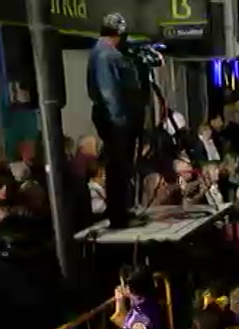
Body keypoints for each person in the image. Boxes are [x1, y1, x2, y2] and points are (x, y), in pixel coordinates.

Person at [87, 13, 141, 229]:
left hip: (114, 117)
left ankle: (121, 213)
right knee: (118, 166)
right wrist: (121, 121)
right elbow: (109, 91)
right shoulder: (105, 55)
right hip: (115, 119)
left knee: (120, 167)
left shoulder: (104, 52)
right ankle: (119, 216)